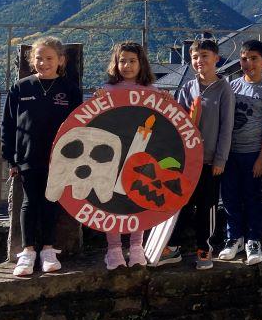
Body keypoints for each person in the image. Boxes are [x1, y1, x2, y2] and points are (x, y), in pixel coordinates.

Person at [2, 37, 82, 276]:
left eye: (49, 58)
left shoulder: (70, 90)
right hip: (27, 156)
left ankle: (48, 249)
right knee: (29, 202)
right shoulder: (20, 87)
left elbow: (79, 126)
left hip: (59, 158)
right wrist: (11, 159)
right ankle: (27, 253)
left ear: (61, 60)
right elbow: (8, 124)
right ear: (31, 60)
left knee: (51, 202)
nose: (44, 62)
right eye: (39, 58)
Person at [159, 38, 235, 270]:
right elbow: (179, 119)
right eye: (195, 57)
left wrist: (220, 159)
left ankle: (205, 247)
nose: (199, 61)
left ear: (216, 59)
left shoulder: (224, 90)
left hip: (211, 160)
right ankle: (173, 246)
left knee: (207, 206)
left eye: (204, 56)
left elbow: (226, 127)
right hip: (188, 160)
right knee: (181, 203)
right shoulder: (188, 87)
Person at [218, 40, 262, 266]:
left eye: (254, 58)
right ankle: (233, 237)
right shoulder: (231, 86)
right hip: (229, 153)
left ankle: (254, 239)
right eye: (244, 58)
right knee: (229, 197)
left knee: (253, 198)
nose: (248, 63)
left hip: (253, 153)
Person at [100, 41, 158, 269]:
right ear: (116, 63)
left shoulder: (153, 92)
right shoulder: (106, 91)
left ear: (141, 63)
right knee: (111, 202)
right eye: (122, 60)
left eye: (132, 61)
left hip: (141, 157)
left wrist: (165, 101)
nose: (127, 65)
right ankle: (113, 249)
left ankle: (136, 246)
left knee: (138, 199)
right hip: (112, 158)